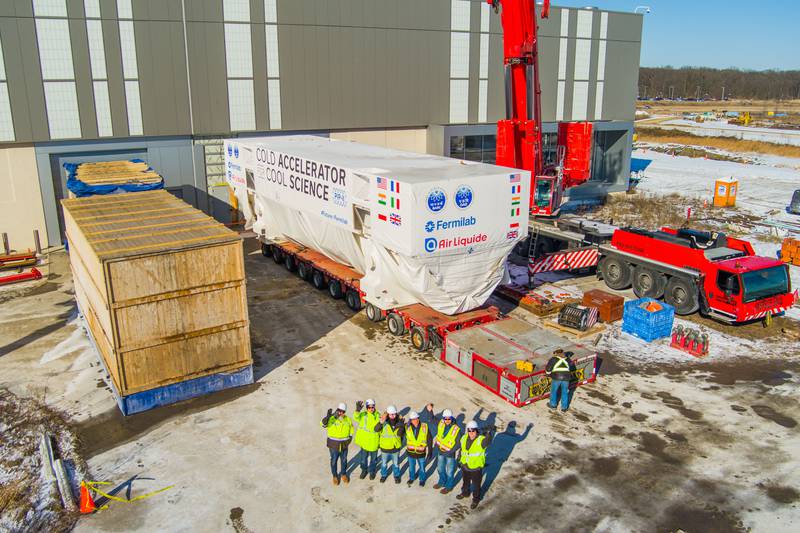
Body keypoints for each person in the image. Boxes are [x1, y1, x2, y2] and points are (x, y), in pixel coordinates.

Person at [456, 420, 493, 509]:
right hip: (465, 466)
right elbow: (462, 450)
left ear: (476, 431)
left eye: (473, 430)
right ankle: (465, 493)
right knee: (466, 482)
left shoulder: (481, 440)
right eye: (469, 430)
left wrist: (488, 433)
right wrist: (458, 459)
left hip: (476, 468)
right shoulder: (464, 438)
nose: (471, 433)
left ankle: (476, 499)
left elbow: (487, 441)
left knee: (476, 485)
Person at [425, 403, 460, 494]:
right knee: (440, 469)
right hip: (440, 452)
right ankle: (441, 482)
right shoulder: (441, 423)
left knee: (450, 471)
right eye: (445, 418)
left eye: (449, 418)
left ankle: (449, 486)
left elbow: (459, 443)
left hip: (449, 454)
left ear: (451, 418)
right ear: (443, 418)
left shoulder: (456, 429)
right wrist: (430, 411)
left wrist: (451, 450)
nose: (447, 420)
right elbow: (432, 419)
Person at [320, 402, 353, 486]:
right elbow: (323, 424)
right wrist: (327, 417)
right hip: (334, 444)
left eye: (343, 411)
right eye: (339, 410)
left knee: (344, 460)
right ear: (337, 410)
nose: (341, 413)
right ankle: (335, 476)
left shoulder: (347, 419)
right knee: (334, 460)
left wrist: (350, 438)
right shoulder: (331, 418)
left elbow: (351, 428)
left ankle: (343, 474)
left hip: (344, 444)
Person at [374, 405, 405, 484]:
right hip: (385, 448)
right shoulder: (383, 422)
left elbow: (402, 434)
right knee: (384, 463)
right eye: (391, 414)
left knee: (396, 464)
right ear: (388, 414)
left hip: (395, 448)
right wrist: (381, 422)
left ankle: (396, 476)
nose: (393, 416)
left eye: (394, 414)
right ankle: (383, 475)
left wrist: (402, 425)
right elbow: (376, 429)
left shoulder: (400, 422)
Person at [353, 399, 380, 480]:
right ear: (366, 407)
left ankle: (372, 472)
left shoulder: (378, 415)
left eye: (372, 407)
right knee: (363, 459)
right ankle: (364, 470)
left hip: (374, 442)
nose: (371, 409)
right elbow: (356, 417)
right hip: (364, 442)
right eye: (369, 407)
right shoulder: (363, 415)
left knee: (373, 460)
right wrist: (357, 410)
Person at [405, 411, 432, 487]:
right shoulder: (407, 427)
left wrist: (430, 451)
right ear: (410, 420)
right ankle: (412, 478)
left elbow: (429, 439)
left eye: (416, 418)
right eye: (413, 419)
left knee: (422, 468)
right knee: (411, 467)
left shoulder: (424, 426)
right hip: (411, 452)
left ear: (418, 418)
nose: (415, 421)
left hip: (421, 453)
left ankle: (422, 479)